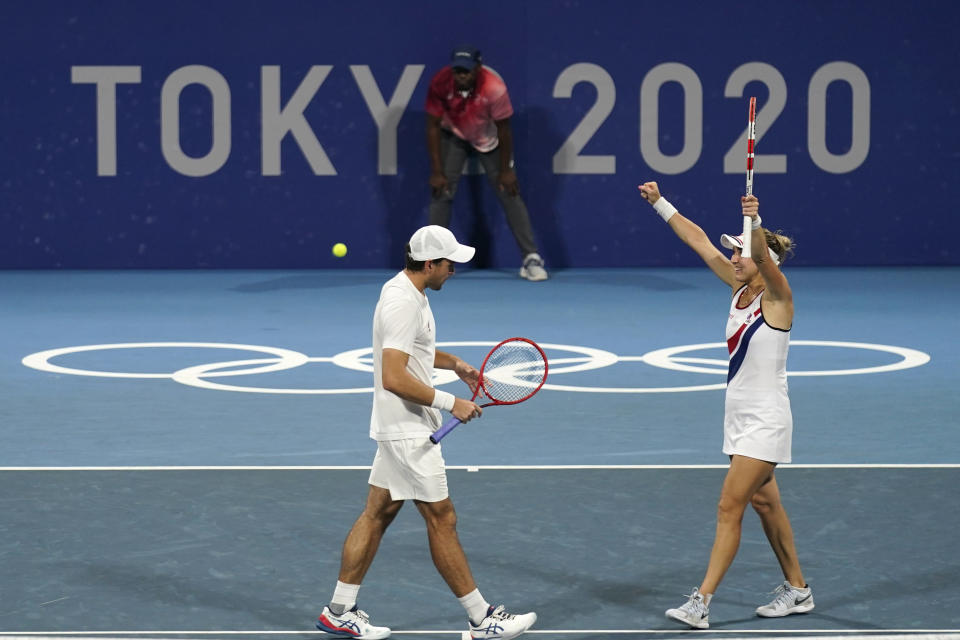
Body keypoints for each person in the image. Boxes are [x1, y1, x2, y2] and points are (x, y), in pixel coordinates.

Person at [315, 225, 537, 640]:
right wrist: (452, 402)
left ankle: (338, 610)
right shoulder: (402, 303)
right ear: (429, 263)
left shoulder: (406, 292)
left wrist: (454, 364)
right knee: (441, 517)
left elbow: (410, 349)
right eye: (449, 262)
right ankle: (481, 618)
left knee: (378, 512)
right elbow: (394, 376)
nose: (454, 268)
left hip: (399, 425)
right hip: (407, 428)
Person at [636, 182, 813, 629]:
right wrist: (661, 204)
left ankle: (701, 602)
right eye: (732, 254)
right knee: (764, 504)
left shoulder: (778, 298)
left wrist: (754, 218)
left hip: (766, 422)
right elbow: (696, 237)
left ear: (764, 260)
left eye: (741, 253)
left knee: (727, 506)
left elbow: (764, 260)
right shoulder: (738, 289)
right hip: (738, 419)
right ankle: (798, 590)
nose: (733, 259)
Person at [425, 45, 548, 282]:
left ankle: (531, 257)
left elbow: (504, 129)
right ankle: (433, 261)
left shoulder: (494, 88)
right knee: (441, 191)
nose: (462, 76)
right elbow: (432, 126)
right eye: (458, 71)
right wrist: (437, 171)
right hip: (453, 134)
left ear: (478, 69)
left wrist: (506, 170)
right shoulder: (440, 83)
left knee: (509, 192)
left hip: (489, 139)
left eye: (467, 71)